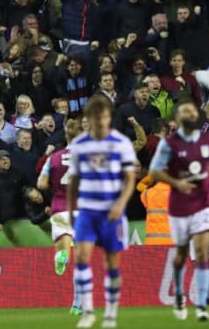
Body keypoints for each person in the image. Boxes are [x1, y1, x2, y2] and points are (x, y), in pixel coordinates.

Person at [149, 99, 209, 321]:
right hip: (180, 206)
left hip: (203, 204)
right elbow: (154, 172)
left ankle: (203, 303)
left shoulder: (208, 141)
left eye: (192, 111)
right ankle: (181, 294)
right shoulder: (169, 144)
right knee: (183, 254)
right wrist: (176, 183)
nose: (190, 114)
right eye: (185, 111)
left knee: (202, 252)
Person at [67, 96, 137, 328]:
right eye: (97, 118)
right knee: (81, 257)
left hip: (111, 212)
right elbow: (74, 181)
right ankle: (87, 311)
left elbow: (130, 178)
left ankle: (110, 312)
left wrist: (121, 204)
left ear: (109, 117)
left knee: (111, 263)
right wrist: (71, 210)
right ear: (89, 119)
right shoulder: (79, 145)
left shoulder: (121, 143)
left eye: (105, 117)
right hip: (87, 210)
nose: (101, 122)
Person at [37, 119, 83, 313]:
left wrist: (56, 186)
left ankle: (61, 255)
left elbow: (41, 184)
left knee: (64, 248)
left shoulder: (54, 158)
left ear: (66, 136)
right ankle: (77, 305)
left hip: (60, 208)